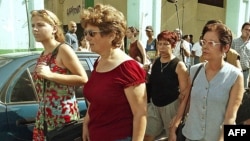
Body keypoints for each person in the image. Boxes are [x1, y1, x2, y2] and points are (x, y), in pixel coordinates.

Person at [80, 4, 147, 141]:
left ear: (111, 35)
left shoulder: (128, 68)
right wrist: (86, 122)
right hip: (96, 134)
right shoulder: (99, 61)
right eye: (86, 33)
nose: (87, 38)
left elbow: (140, 114)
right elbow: (95, 101)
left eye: (92, 33)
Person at [169, 23, 244, 141]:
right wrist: (174, 128)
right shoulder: (195, 71)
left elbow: (230, 117)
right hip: (191, 135)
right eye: (203, 42)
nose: (204, 47)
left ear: (225, 47)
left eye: (211, 43)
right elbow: (185, 103)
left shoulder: (235, 76)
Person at [30, 9, 88, 140]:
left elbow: (83, 78)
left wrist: (50, 75)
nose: (35, 29)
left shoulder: (63, 49)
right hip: (44, 119)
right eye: (33, 25)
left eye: (40, 25)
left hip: (63, 119)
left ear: (54, 28)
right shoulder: (43, 54)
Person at [143, 30, 190, 141]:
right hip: (154, 105)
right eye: (160, 44)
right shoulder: (155, 62)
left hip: (171, 106)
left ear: (173, 45)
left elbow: (185, 94)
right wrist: (145, 74)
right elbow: (154, 81)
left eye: (166, 44)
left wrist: (178, 116)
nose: (162, 47)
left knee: (172, 137)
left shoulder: (179, 65)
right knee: (147, 135)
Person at [231, 22, 250, 89]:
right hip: (235, 71)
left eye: (249, 30)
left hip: (246, 72)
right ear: (241, 30)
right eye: (246, 29)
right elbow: (230, 55)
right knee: (234, 90)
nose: (247, 31)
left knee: (243, 92)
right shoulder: (234, 42)